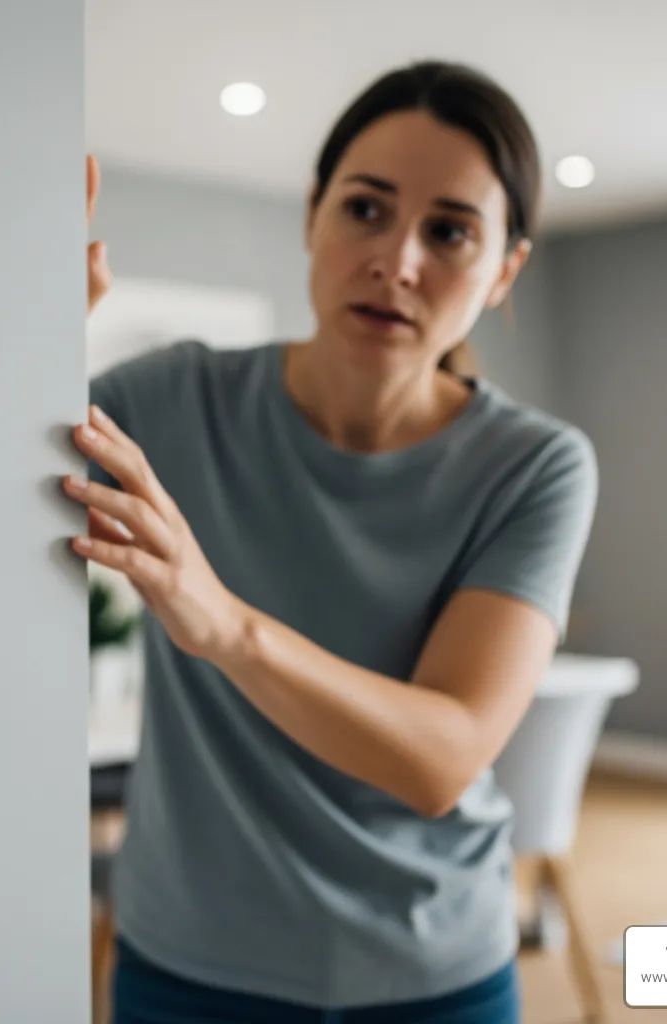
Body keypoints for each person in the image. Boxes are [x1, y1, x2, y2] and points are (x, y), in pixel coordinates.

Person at [65, 60, 599, 1023]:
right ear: (314, 214)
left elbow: (444, 755)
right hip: (188, 965)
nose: (397, 260)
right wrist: (16, 336)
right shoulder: (163, 404)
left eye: (448, 231)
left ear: (505, 269)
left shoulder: (537, 466)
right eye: (366, 209)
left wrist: (222, 623)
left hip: (432, 975)